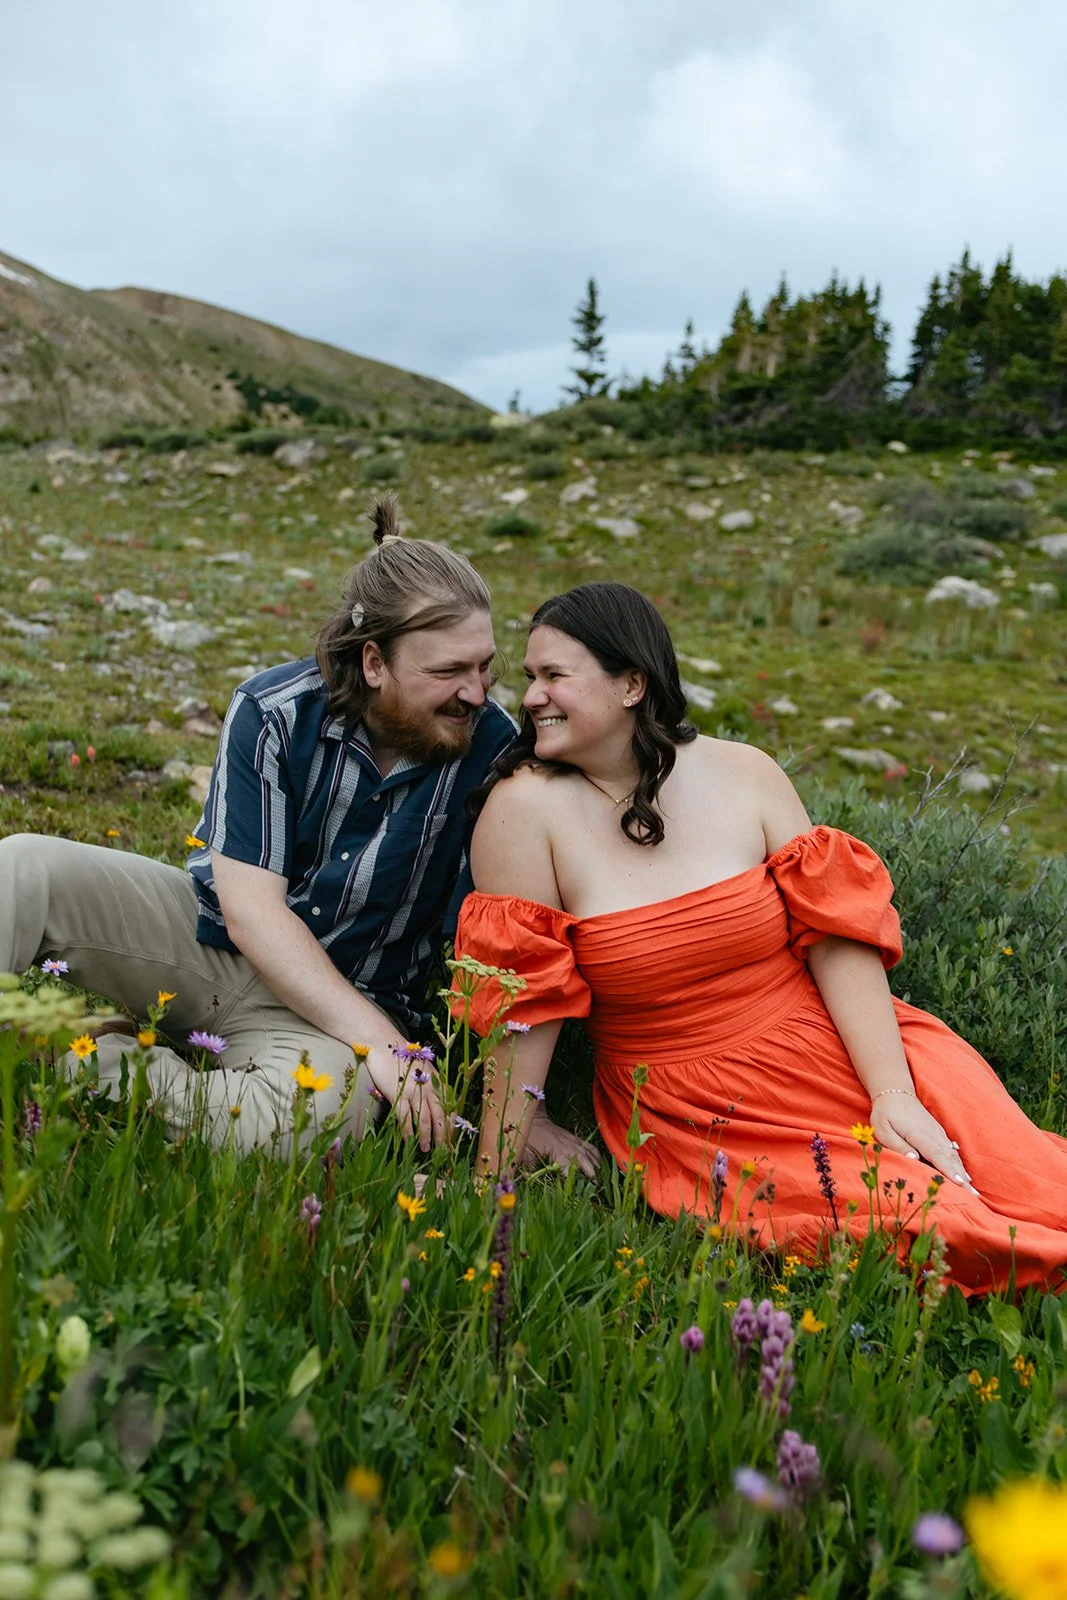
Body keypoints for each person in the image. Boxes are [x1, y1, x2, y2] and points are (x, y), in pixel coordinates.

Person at [452, 582, 1067, 1295]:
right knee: (941, 1227)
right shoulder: (523, 811)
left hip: (843, 1039)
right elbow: (524, 1001)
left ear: (630, 684)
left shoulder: (742, 772)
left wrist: (890, 1089)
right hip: (700, 1105)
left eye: (554, 675)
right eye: (529, 677)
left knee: (1030, 1182)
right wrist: (492, 1172)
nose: (529, 698)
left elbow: (834, 935)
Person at [0, 496, 587, 1167]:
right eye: (447, 672)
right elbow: (250, 912)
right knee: (22, 867)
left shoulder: (494, 749)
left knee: (304, 1127)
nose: (476, 693)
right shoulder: (275, 712)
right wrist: (388, 1050)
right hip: (209, 944)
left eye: (484, 667)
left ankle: (81, 1064)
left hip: (337, 1009)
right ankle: (145, 1065)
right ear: (374, 663)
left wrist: (521, 1105)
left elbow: (528, 927)